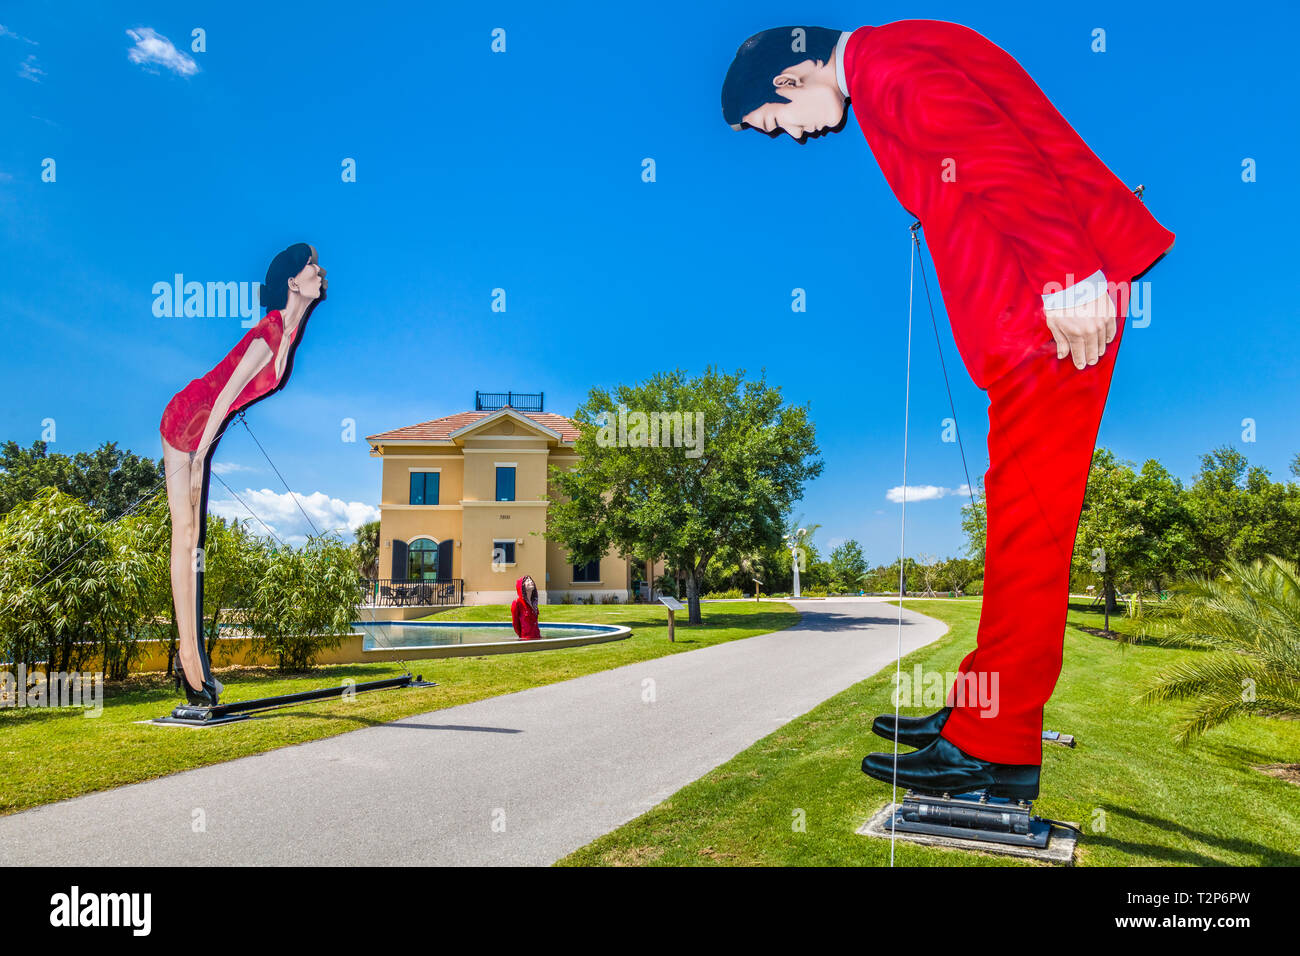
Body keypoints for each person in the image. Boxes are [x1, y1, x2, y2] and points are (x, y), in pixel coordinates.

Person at [721, 22, 1174, 798]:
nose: (791, 138)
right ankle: (980, 710)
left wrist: (1070, 275)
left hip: (1050, 318)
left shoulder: (888, 67)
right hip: (1037, 319)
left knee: (1031, 533)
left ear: (793, 79)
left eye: (774, 123)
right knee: (1016, 522)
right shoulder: (899, 52)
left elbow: (995, 152)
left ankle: (992, 748)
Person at [160, 244, 327, 705]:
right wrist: (196, 462)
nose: (320, 270)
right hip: (187, 421)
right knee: (186, 534)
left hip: (205, 429)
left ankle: (191, 660)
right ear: (293, 282)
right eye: (312, 266)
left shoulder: (288, 337)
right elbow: (221, 399)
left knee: (192, 538)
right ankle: (190, 661)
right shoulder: (269, 332)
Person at [511, 575, 541, 640]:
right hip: (526, 639)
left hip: (537, 638)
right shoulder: (517, 603)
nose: (531, 581)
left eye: (531, 580)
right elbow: (515, 624)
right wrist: (523, 637)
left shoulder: (534, 603)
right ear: (522, 586)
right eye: (527, 581)